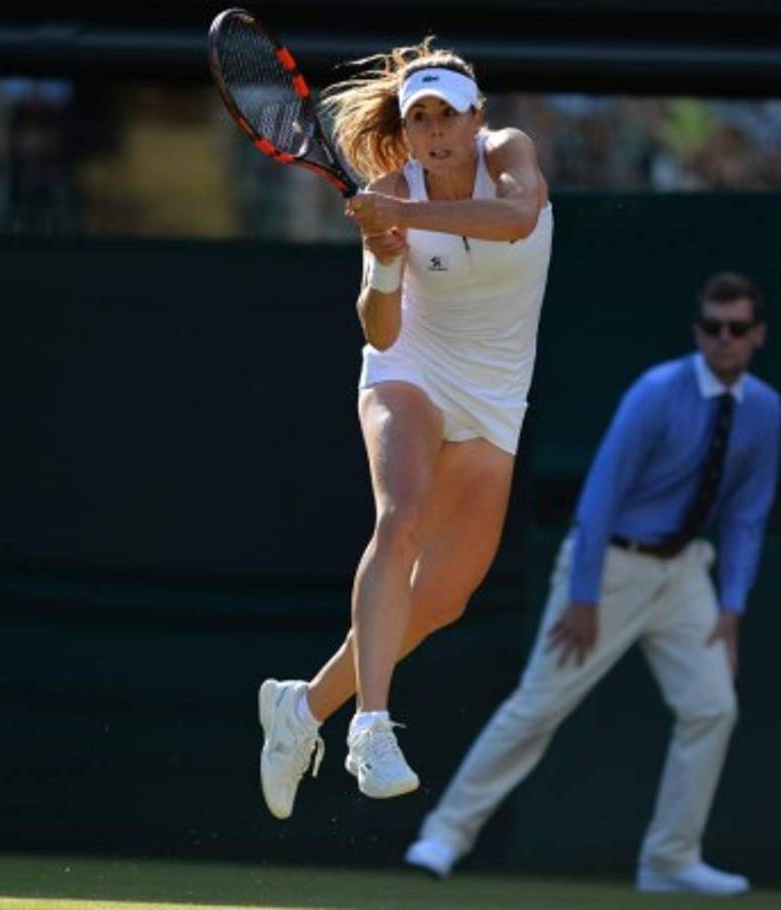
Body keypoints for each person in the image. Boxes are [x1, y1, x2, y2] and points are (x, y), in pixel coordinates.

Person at [404, 272, 781, 897]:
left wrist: (733, 605)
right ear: (698, 332)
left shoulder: (765, 409)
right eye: (712, 328)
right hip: (608, 566)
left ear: (757, 335)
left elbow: (749, 513)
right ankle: (444, 835)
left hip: (687, 573)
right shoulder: (656, 393)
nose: (724, 340)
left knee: (713, 706)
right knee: (538, 704)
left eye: (737, 329)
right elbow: (602, 492)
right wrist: (583, 594)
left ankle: (669, 859)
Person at [257, 38, 553, 818]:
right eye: (419, 117)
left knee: (446, 599)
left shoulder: (509, 153)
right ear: (408, 126)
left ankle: (300, 710)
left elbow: (520, 217)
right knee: (403, 518)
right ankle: (370, 728)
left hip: (495, 393)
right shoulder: (390, 192)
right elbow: (380, 331)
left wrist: (404, 213)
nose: (434, 130)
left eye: (447, 114)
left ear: (476, 117)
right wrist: (382, 254)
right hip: (411, 370)